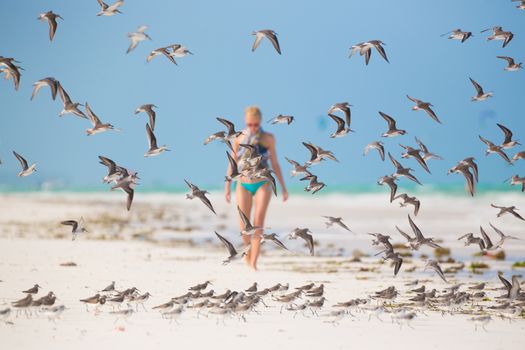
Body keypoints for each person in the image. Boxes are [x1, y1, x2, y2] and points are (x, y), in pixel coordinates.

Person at [224, 105, 288, 270]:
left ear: (260, 122)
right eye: (250, 124)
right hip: (243, 184)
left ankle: (253, 263)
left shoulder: (268, 138)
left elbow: (275, 163)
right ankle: (248, 255)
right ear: (246, 122)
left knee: (258, 223)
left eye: (255, 125)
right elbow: (232, 162)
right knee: (245, 227)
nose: (252, 128)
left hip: (262, 183)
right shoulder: (238, 138)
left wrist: (283, 187)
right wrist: (227, 185)